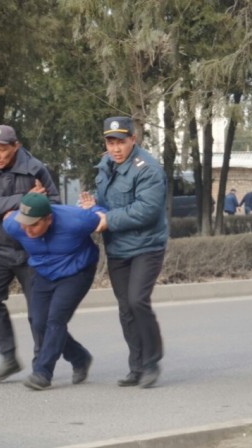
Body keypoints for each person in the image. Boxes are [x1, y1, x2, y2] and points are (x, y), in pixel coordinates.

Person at [80, 116, 168, 388]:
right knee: (125, 308)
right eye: (110, 142)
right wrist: (94, 206)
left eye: (121, 142)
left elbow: (147, 210)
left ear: (133, 139)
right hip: (117, 247)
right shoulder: (106, 165)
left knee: (137, 300)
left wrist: (108, 220)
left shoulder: (148, 169)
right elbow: (110, 201)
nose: (115, 148)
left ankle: (152, 362)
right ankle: (136, 366)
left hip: (147, 246)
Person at [0, 124, 60, 383]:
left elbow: (53, 202)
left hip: (32, 250)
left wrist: (28, 208)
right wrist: (24, 199)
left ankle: (41, 365)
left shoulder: (35, 168)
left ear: (15, 146)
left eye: (2, 150)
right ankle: (8, 357)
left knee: (38, 313)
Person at [2, 193, 104, 390]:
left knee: (56, 319)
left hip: (77, 271)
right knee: (38, 322)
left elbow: (101, 217)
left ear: (48, 219)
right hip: (44, 272)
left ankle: (43, 372)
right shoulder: (13, 225)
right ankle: (80, 357)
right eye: (24, 224)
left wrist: (93, 207)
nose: (27, 230)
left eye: (33, 225)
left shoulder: (76, 220)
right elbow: (8, 218)